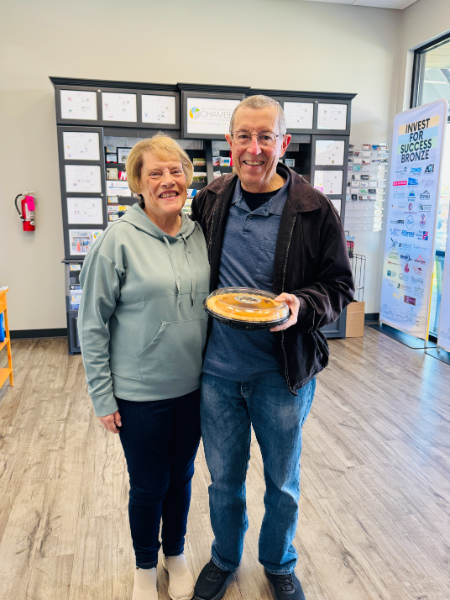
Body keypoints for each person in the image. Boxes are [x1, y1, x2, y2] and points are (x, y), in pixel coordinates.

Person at [191, 96, 354, 600]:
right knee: (223, 481)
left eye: (266, 137)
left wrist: (302, 305)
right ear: (230, 143)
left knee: (282, 481)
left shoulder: (313, 208)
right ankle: (223, 558)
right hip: (217, 373)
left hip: (282, 375)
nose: (255, 148)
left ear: (283, 144)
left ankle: (279, 563)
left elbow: (339, 286)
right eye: (245, 136)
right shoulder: (211, 200)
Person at [78, 134, 210, 600]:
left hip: (193, 387)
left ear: (187, 178)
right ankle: (143, 566)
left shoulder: (198, 234)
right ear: (137, 181)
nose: (167, 180)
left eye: (175, 170)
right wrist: (102, 395)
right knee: (149, 484)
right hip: (139, 393)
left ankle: (175, 555)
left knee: (183, 476)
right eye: (154, 173)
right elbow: (91, 323)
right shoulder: (117, 241)